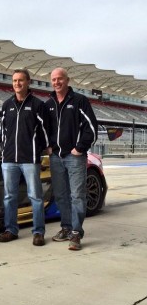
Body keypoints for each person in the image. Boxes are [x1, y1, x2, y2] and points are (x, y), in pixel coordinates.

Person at [45, 67, 98, 251]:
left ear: (67, 80)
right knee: (60, 195)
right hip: (56, 157)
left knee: (77, 195)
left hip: (74, 157)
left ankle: (76, 232)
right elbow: (44, 128)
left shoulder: (79, 101)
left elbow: (91, 127)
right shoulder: (49, 103)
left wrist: (79, 148)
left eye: (60, 78)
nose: (57, 82)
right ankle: (66, 228)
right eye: (53, 79)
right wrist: (49, 146)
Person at [0, 68, 49, 246]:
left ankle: (38, 232)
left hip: (30, 159)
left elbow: (44, 131)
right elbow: (3, 131)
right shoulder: (7, 105)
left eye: (20, 80)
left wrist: (44, 149)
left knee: (35, 196)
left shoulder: (37, 105)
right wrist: (5, 151)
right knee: (9, 197)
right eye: (14, 81)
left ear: (28, 82)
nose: (17, 84)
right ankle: (11, 230)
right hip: (9, 159)